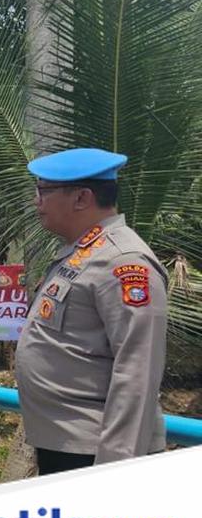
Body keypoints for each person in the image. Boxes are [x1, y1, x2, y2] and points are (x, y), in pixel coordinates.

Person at [14, 148, 168, 475]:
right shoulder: (83, 253)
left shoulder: (123, 261)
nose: (36, 201)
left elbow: (138, 369)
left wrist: (115, 466)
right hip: (67, 444)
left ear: (82, 198)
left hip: (95, 452)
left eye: (43, 191)